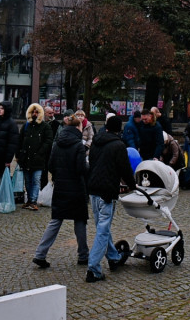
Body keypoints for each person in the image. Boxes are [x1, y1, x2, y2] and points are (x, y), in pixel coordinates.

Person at [33, 114, 90, 268]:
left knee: (56, 220)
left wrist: (59, 176)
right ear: (78, 127)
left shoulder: (57, 143)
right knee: (80, 221)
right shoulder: (78, 145)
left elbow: (50, 165)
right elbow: (81, 168)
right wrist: (87, 167)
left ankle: (40, 253)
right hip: (76, 187)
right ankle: (83, 255)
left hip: (60, 186)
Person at [85, 115, 136, 283]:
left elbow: (92, 164)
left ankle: (114, 257)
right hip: (107, 191)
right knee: (103, 230)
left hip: (93, 189)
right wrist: (133, 185)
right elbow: (125, 169)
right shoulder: (118, 145)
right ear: (118, 129)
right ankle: (93, 268)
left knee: (102, 227)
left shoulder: (96, 142)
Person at [17, 103, 54, 210]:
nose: (34, 114)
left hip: (38, 159)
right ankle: (29, 200)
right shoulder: (26, 126)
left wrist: (41, 152)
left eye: (36, 112)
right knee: (28, 181)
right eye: (33, 112)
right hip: (26, 158)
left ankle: (33, 200)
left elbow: (48, 141)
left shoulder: (45, 126)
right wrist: (18, 155)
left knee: (36, 180)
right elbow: (20, 141)